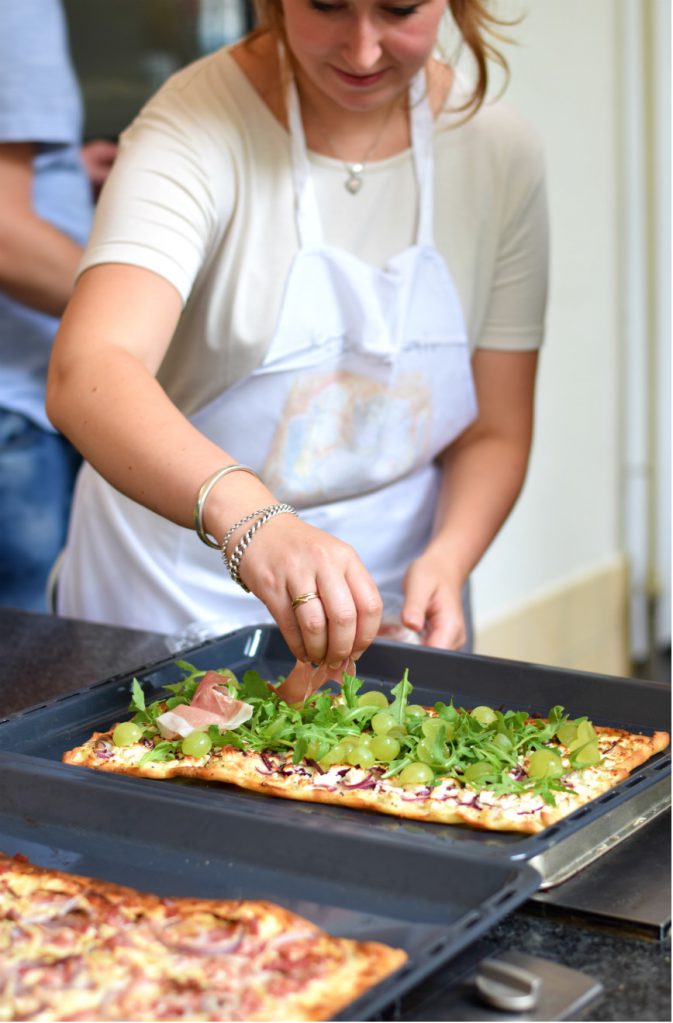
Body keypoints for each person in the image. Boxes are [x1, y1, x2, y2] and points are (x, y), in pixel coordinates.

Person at [46, 0, 548, 678]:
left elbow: (494, 429)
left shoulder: (498, 150)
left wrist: (450, 556)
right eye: (327, 6)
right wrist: (253, 520)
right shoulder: (190, 128)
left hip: (390, 602)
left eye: (399, 9)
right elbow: (90, 369)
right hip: (171, 599)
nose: (363, 50)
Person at [0, 0, 115, 612]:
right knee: (29, 680)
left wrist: (59, 168)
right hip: (13, 409)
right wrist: (143, 320)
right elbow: (4, 235)